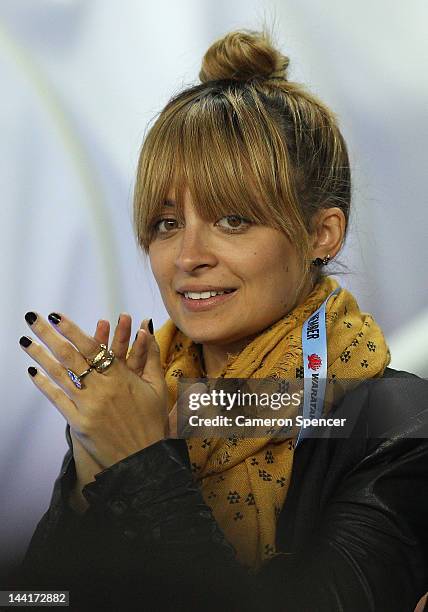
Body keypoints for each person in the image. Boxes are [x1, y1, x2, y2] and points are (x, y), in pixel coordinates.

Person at [14, 29, 427, 611]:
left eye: (232, 220)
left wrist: (140, 463)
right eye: (165, 223)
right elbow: (40, 598)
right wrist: (87, 482)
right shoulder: (143, 406)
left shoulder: (399, 425)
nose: (187, 257)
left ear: (320, 234)